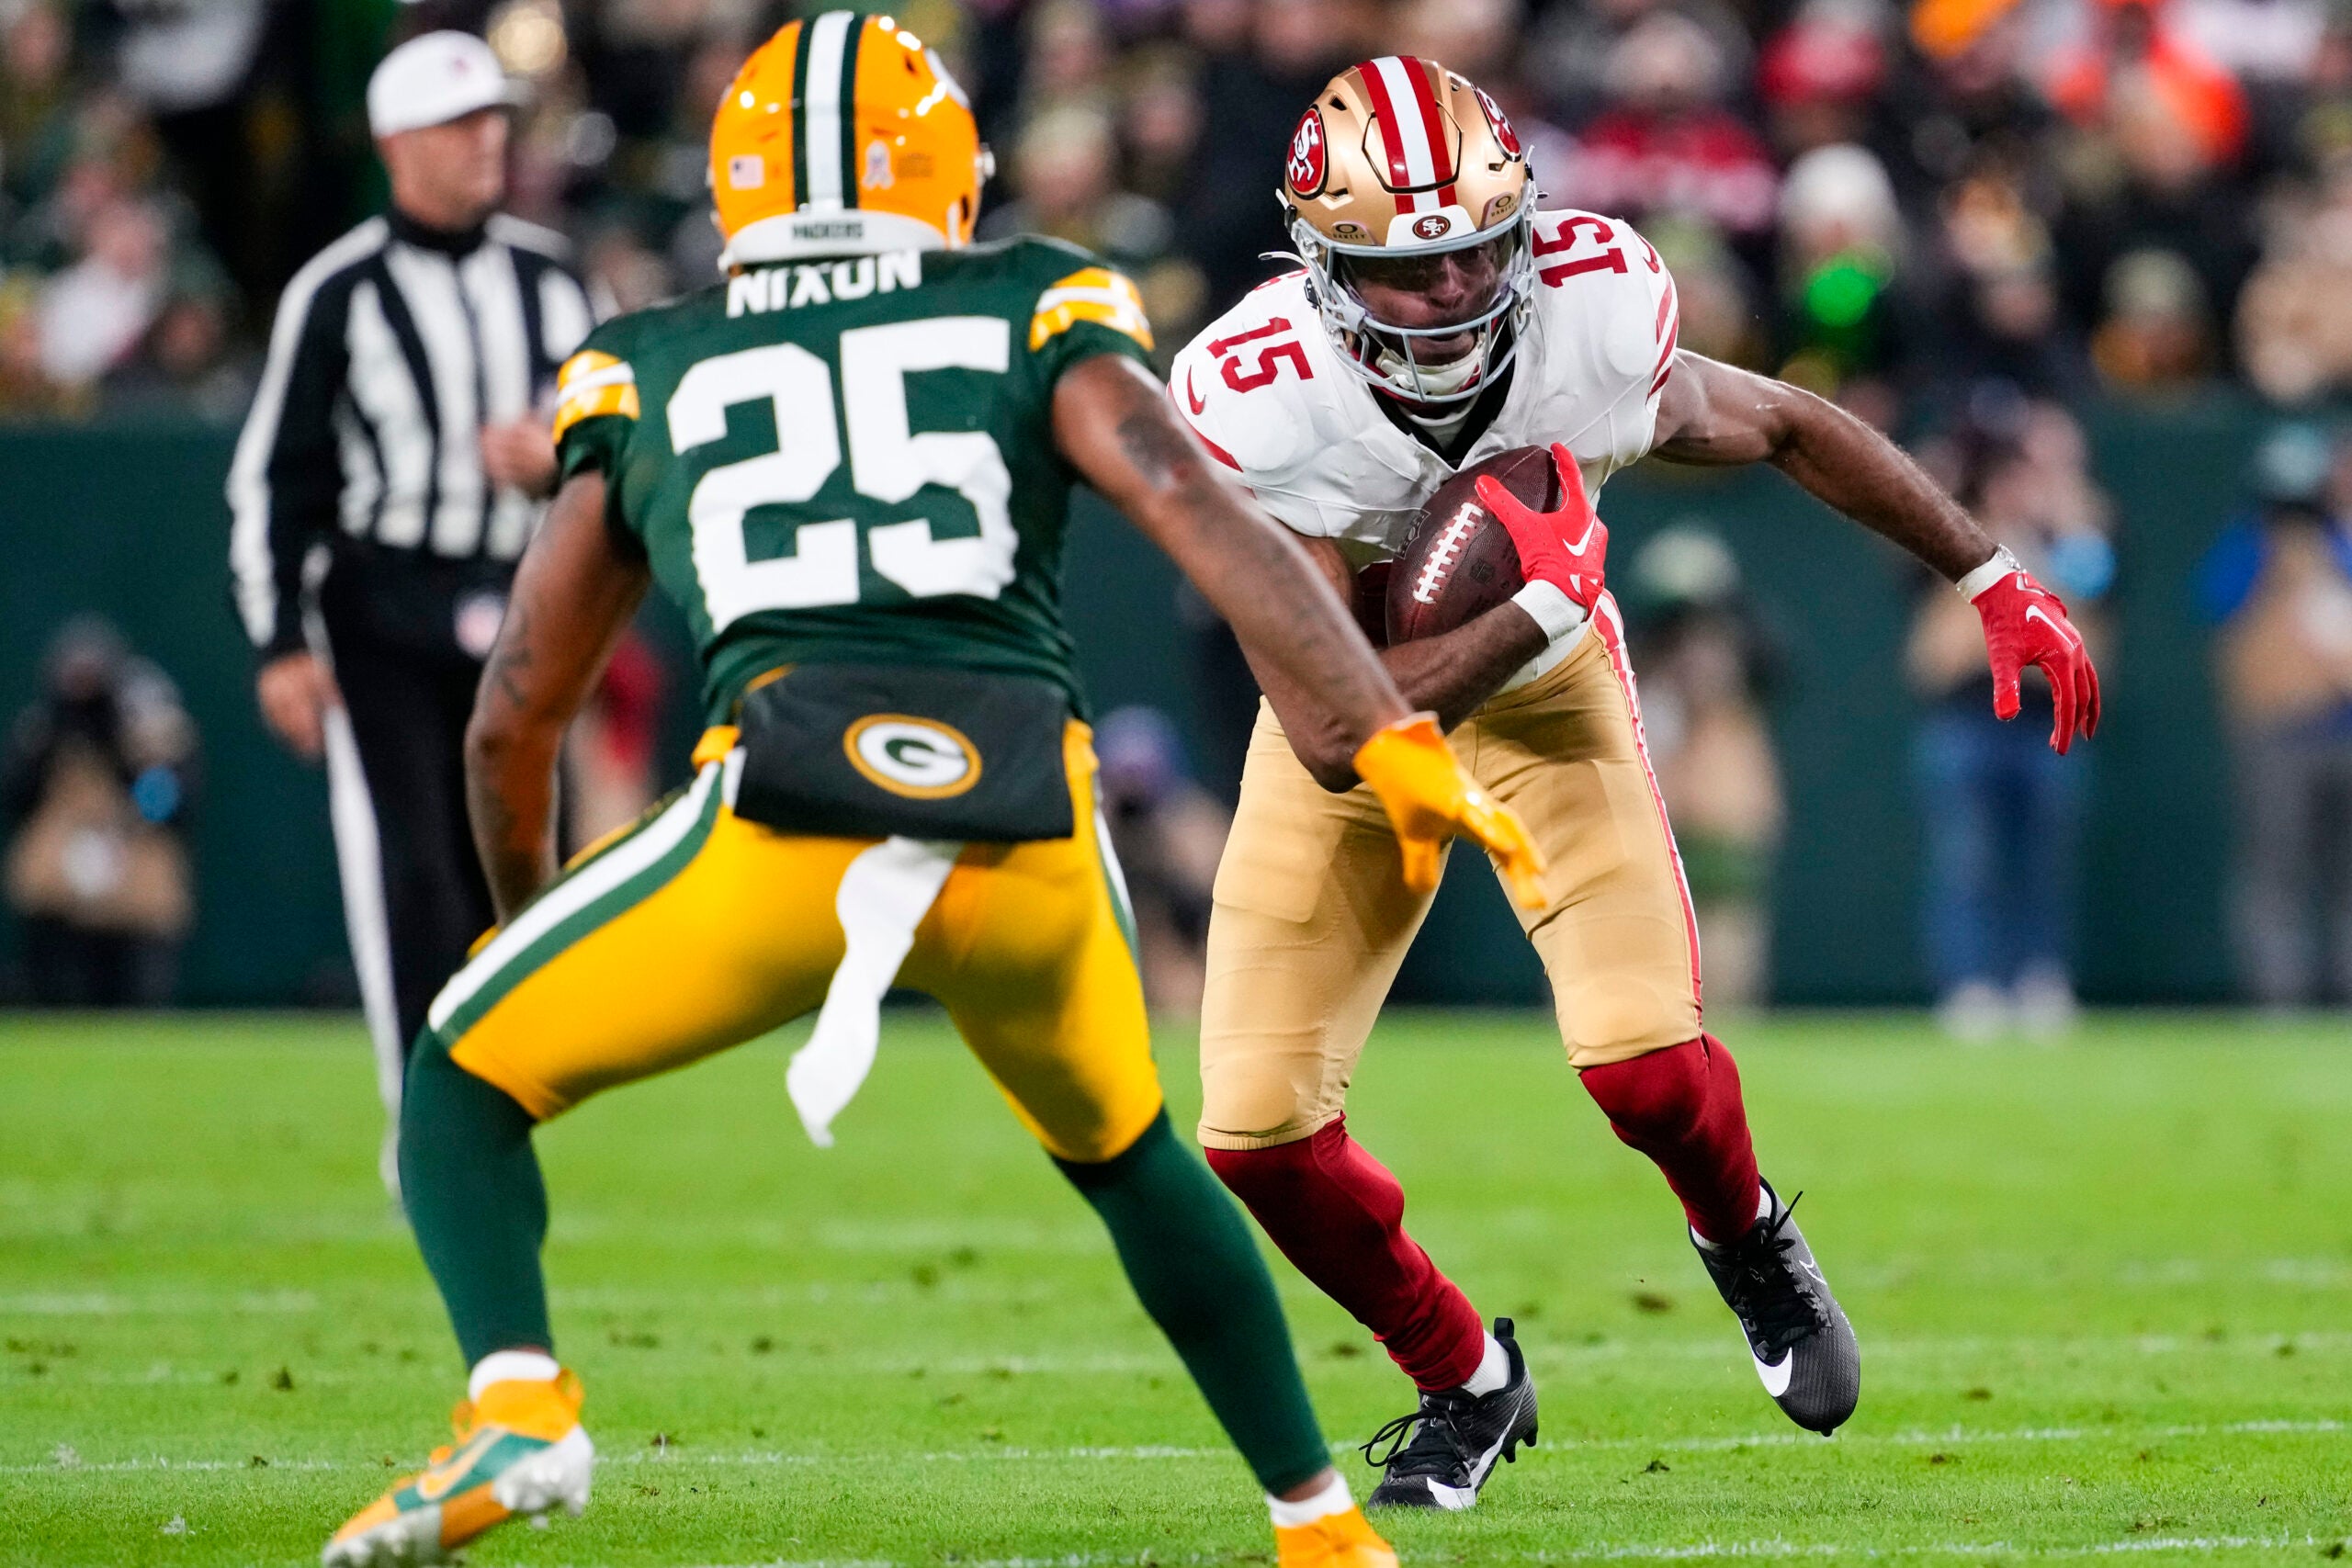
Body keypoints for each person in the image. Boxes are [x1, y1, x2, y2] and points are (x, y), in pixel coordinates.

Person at [321, 17, 1544, 1567]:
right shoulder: (1037, 298)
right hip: (1029, 825)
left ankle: (519, 1409)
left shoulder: (648, 359)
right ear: (947, 171)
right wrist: (1384, 732)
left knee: (458, 1074)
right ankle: (1319, 1525)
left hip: (779, 823)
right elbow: (1193, 507)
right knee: (1129, 1155)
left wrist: (523, 923)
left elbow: (518, 710)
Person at [1171, 55, 2101, 1510]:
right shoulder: (1252, 395)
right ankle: (1463, 1378)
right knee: (1256, 1133)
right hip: (1355, 740)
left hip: (1551, 713)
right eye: (1410, 270)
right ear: (1325, 267)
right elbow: (1335, 715)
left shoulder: (1590, 315)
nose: (1461, 288)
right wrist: (1535, 604)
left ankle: (1745, 1236)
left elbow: (1788, 422)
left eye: (1482, 247)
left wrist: (1986, 569)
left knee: (1645, 1063)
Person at [225, 30, 597, 1194]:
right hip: (383, 607)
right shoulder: (337, 290)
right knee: (411, 872)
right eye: (455, 122)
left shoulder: (558, 277)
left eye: (494, 118)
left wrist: (560, 457)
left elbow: (630, 450)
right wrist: (280, 640)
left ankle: (504, 1100)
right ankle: (424, 1122)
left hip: (525, 606)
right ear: (393, 146)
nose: (484, 139)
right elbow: (274, 480)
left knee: (526, 869)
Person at [2197, 423, 2352, 1006]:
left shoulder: (2340, 545)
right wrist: (2272, 554)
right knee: (2275, 872)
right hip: (2275, 735)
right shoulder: (2248, 547)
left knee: (2346, 878)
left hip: (2343, 730)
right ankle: (2279, 1000)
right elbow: (2214, 601)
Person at [3, 617, 198, 1005]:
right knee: (59, 994)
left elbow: (171, 802)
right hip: (61, 887)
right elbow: (16, 793)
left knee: (136, 996)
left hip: (133, 872)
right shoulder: (45, 727)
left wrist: (123, 759)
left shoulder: (147, 725)